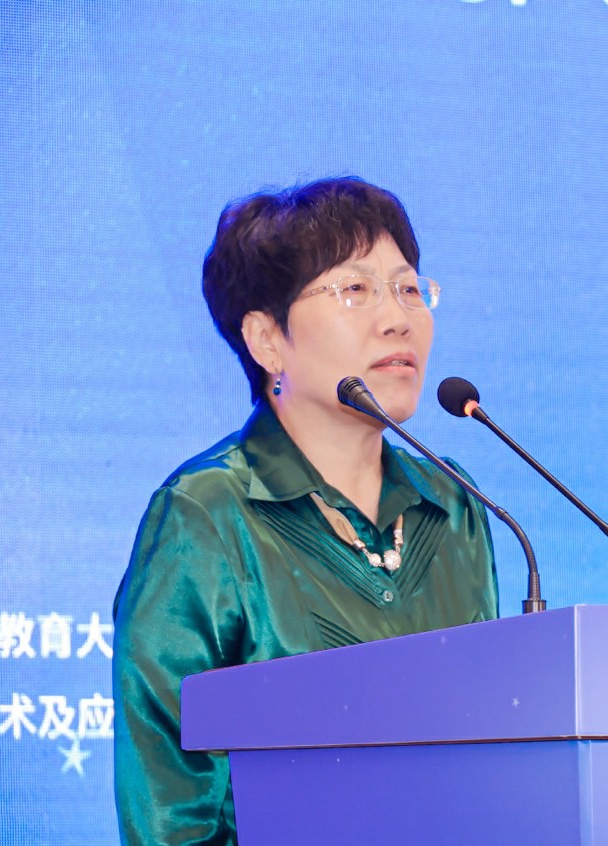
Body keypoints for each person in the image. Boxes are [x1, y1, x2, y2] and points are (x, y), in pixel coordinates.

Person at [111, 176, 499, 844]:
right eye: (355, 290)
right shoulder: (207, 514)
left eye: (409, 289)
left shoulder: (452, 503)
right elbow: (170, 806)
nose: (398, 318)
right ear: (267, 339)